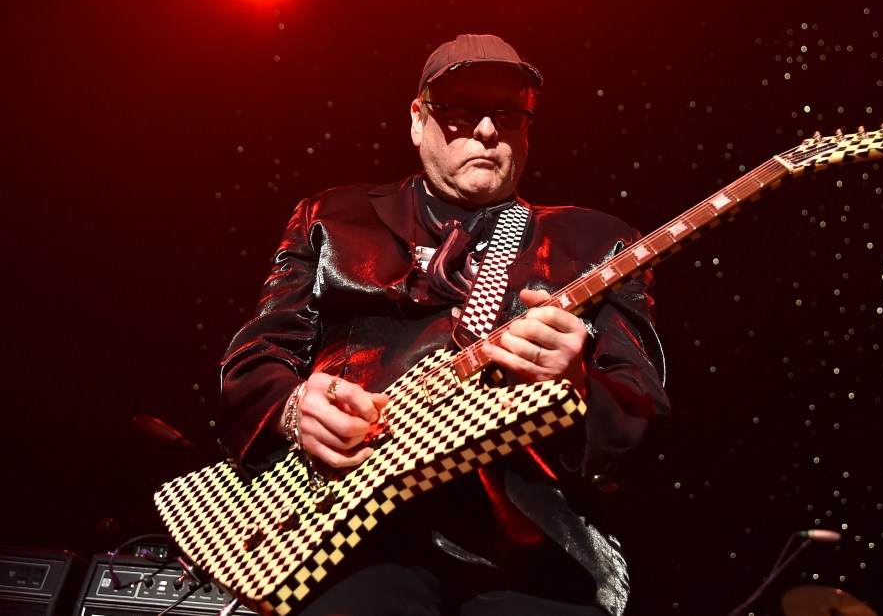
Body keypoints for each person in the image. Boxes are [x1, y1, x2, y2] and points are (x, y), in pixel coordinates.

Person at [219, 34, 671, 616]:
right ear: (417, 120)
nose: (486, 130)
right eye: (460, 110)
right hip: (345, 535)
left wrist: (578, 384)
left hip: (532, 549)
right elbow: (256, 356)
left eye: (508, 113)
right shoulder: (332, 217)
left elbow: (642, 409)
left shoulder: (598, 241)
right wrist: (293, 407)